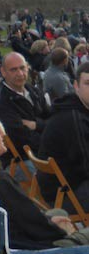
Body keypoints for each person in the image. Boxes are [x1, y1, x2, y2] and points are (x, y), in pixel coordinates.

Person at [0, 115, 89, 254]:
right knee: (68, 227)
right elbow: (30, 221)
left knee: (59, 214)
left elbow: (25, 217)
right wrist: (59, 231)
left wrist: (50, 222)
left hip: (4, 253)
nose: (3, 133)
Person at [37, 61, 89, 210]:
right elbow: (85, 166)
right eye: (88, 83)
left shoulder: (76, 108)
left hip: (66, 185)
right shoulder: (72, 117)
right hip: (64, 195)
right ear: (76, 86)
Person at [0, 52, 50, 163]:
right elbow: (21, 139)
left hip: (45, 151)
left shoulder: (34, 91)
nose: (20, 73)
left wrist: (36, 125)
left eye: (22, 68)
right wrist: (50, 137)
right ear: (3, 72)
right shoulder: (0, 102)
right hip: (22, 160)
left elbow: (52, 120)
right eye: (13, 70)